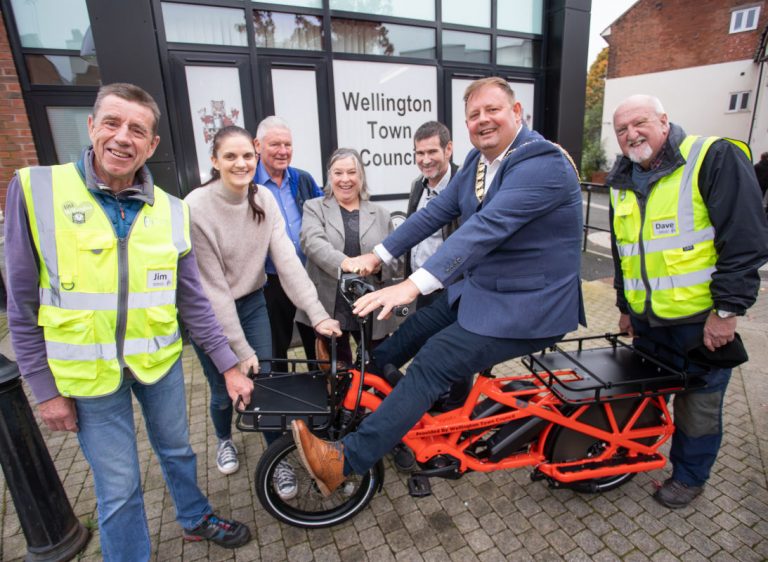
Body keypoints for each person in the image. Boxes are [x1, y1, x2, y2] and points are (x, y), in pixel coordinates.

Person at [290, 76, 585, 496]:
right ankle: (364, 403)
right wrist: (377, 256)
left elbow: (486, 227)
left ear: (517, 113)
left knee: (433, 360)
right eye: (473, 115)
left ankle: (345, 460)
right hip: (484, 292)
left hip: (528, 306)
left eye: (492, 110)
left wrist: (410, 285)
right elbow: (430, 216)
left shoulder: (542, 162)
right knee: (405, 336)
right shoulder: (479, 165)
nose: (483, 121)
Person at [4, 83, 253, 560]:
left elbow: (193, 301)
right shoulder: (37, 189)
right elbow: (21, 302)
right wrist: (45, 390)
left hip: (158, 363)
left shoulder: (172, 210)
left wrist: (227, 365)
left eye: (137, 129)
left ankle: (194, 517)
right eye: (113, 124)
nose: (123, 138)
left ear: (152, 145)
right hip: (89, 376)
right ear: (93, 126)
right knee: (118, 486)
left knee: (179, 451)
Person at [605, 94, 768, 508]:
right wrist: (625, 306)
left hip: (701, 325)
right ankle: (636, 453)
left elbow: (745, 241)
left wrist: (727, 312)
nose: (631, 134)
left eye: (639, 123)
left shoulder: (712, 157)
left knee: (699, 405)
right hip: (647, 322)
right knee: (644, 395)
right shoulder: (622, 179)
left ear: (663, 120)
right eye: (621, 129)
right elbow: (624, 251)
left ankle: (690, 477)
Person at [184, 126, 340, 487]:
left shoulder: (264, 200)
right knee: (225, 389)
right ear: (214, 161)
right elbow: (215, 291)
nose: (241, 163)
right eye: (230, 156)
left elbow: (287, 263)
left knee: (265, 383)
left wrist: (317, 315)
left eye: (246, 156)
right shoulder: (196, 207)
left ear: (255, 156)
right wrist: (238, 350)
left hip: (253, 301)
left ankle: (277, 457)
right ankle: (224, 440)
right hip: (210, 314)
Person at [297, 148, 399, 366]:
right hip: (331, 305)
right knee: (336, 371)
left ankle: (378, 401)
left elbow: (396, 257)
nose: (345, 179)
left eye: (352, 172)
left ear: (361, 177)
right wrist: (347, 263)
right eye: (338, 173)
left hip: (371, 306)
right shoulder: (314, 208)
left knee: (378, 365)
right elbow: (312, 243)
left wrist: (377, 266)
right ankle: (343, 401)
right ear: (329, 176)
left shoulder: (381, 214)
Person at [254, 116, 324, 369]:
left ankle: (321, 394)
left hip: (307, 274)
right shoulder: (248, 184)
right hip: (270, 280)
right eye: (275, 144)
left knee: (316, 341)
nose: (283, 151)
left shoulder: (302, 179)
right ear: (257, 145)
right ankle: (282, 398)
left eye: (288, 144)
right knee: (276, 346)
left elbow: (323, 213)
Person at [405, 120, 460, 309]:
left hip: (449, 290)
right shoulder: (417, 185)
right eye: (420, 153)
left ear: (448, 149)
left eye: (432, 152)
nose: (425, 160)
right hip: (419, 288)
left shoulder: (463, 185)